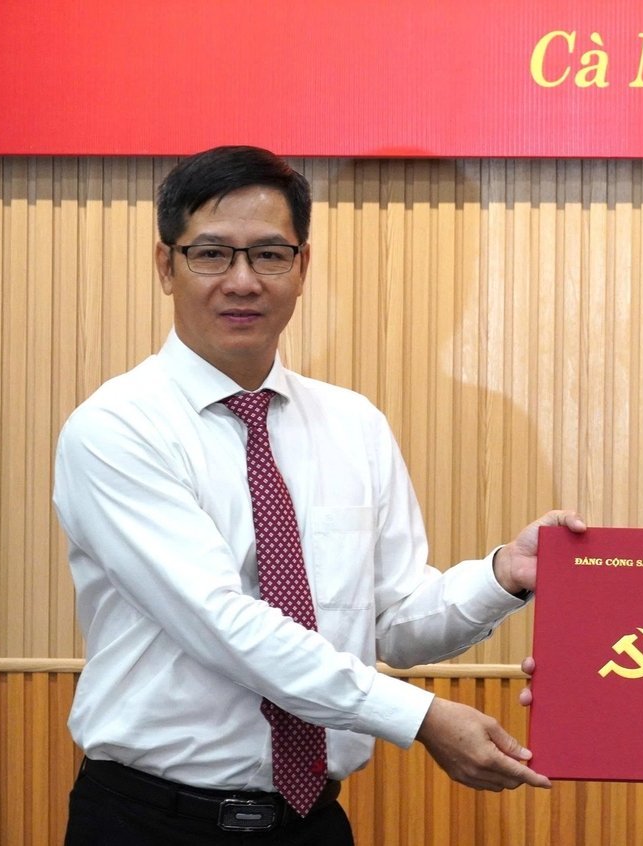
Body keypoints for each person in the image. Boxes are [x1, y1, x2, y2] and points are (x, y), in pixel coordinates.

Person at [53, 145, 584, 845]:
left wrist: (500, 578)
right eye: (212, 253)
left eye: (269, 255)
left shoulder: (353, 424)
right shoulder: (116, 427)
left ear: (302, 268)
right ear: (165, 265)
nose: (242, 281)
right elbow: (225, 626)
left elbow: (391, 624)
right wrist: (420, 719)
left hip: (310, 821)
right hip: (150, 820)